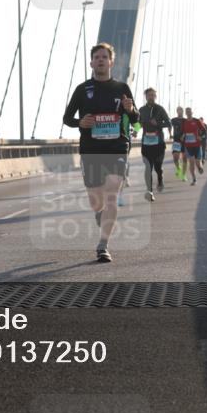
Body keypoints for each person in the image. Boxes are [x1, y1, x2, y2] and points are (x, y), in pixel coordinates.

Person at [63, 43, 139, 263]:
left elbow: (135, 119)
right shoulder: (82, 89)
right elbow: (67, 119)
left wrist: (129, 109)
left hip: (117, 148)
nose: (100, 60)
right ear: (91, 63)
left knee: (112, 192)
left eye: (104, 57)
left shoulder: (122, 88)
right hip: (91, 150)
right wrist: (81, 123)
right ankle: (100, 214)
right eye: (96, 57)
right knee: (97, 201)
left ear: (111, 62)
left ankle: (103, 245)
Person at [137, 88, 171, 201]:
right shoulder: (141, 110)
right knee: (148, 167)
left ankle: (160, 178)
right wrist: (135, 131)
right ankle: (150, 191)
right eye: (149, 95)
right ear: (146, 97)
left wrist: (158, 124)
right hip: (146, 143)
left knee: (157, 167)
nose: (151, 97)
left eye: (153, 95)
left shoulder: (160, 109)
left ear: (155, 97)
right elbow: (138, 123)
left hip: (158, 143)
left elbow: (168, 122)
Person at [180, 108, 205, 185]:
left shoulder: (197, 121)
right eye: (187, 112)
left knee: (197, 163)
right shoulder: (184, 122)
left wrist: (201, 137)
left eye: (189, 111)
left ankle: (200, 167)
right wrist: (183, 136)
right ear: (185, 113)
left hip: (197, 145)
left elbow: (204, 131)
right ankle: (194, 179)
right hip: (188, 145)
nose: (188, 113)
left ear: (192, 112)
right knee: (191, 162)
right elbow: (183, 132)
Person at [170, 106, 186, 181]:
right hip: (176, 140)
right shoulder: (173, 120)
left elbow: (188, 129)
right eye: (178, 110)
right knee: (175, 158)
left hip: (184, 141)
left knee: (184, 158)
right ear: (177, 111)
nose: (180, 111)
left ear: (183, 111)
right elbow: (169, 125)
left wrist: (184, 135)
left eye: (181, 110)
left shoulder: (185, 120)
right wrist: (170, 133)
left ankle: (183, 175)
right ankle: (178, 169)